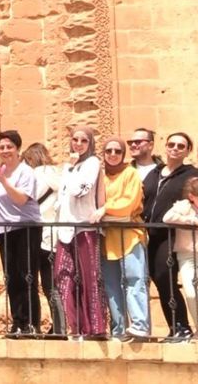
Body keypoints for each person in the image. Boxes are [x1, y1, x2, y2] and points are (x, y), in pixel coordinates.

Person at [142, 132, 198, 341]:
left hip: (174, 235)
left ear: (187, 151)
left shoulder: (191, 174)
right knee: (159, 278)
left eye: (180, 146)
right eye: (171, 144)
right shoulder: (155, 172)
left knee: (167, 277)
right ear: (165, 146)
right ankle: (176, 327)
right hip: (151, 234)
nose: (175, 148)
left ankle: (182, 326)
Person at [54, 126, 107, 339]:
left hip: (83, 228)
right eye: (75, 139)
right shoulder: (69, 167)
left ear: (90, 143)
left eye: (83, 140)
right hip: (65, 229)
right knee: (63, 276)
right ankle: (74, 326)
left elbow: (79, 191)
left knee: (89, 277)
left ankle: (95, 327)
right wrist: (69, 168)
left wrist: (73, 167)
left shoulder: (92, 163)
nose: (78, 144)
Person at [95, 137, 149, 339]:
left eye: (117, 151)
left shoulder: (131, 174)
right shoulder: (101, 176)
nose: (113, 154)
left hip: (129, 236)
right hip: (108, 237)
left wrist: (105, 209)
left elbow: (128, 203)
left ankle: (140, 324)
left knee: (134, 280)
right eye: (108, 151)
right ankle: (118, 328)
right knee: (111, 284)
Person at [0, 130, 43, 337]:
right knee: (11, 277)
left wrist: (4, 181)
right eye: (2, 147)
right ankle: (18, 322)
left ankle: (31, 322)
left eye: (9, 146)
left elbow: (21, 199)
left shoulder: (25, 172)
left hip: (25, 228)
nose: (5, 150)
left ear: (18, 149)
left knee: (27, 275)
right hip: (4, 230)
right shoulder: (1, 171)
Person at [21, 142, 65, 336]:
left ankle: (43, 325)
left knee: (38, 282)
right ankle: (59, 326)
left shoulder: (38, 174)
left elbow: (27, 200)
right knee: (52, 284)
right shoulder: (59, 174)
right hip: (55, 234)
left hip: (39, 234)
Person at [163, 177, 198, 330]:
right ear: (191, 196)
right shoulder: (184, 206)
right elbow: (167, 218)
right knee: (191, 293)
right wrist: (192, 220)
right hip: (187, 256)